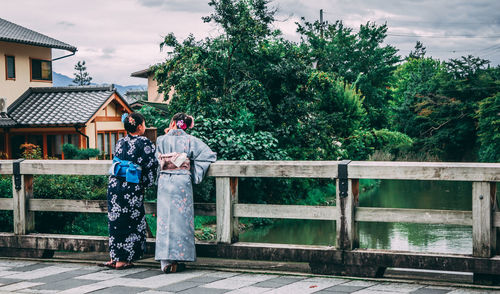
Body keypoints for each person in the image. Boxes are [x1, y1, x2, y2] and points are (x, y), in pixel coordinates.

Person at [155, 112, 216, 273]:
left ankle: (165, 262)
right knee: (181, 220)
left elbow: (156, 161)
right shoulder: (191, 140)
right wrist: (195, 174)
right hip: (182, 182)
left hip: (164, 181)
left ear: (173, 122)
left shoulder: (161, 139)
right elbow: (208, 155)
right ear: (186, 125)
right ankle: (180, 258)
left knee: (164, 221)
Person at [101, 112, 158, 270]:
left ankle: (115, 256)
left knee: (115, 221)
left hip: (114, 184)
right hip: (130, 186)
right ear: (139, 126)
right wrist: (148, 182)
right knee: (130, 221)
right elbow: (152, 165)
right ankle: (123, 259)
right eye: (144, 124)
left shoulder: (120, 141)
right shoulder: (144, 142)